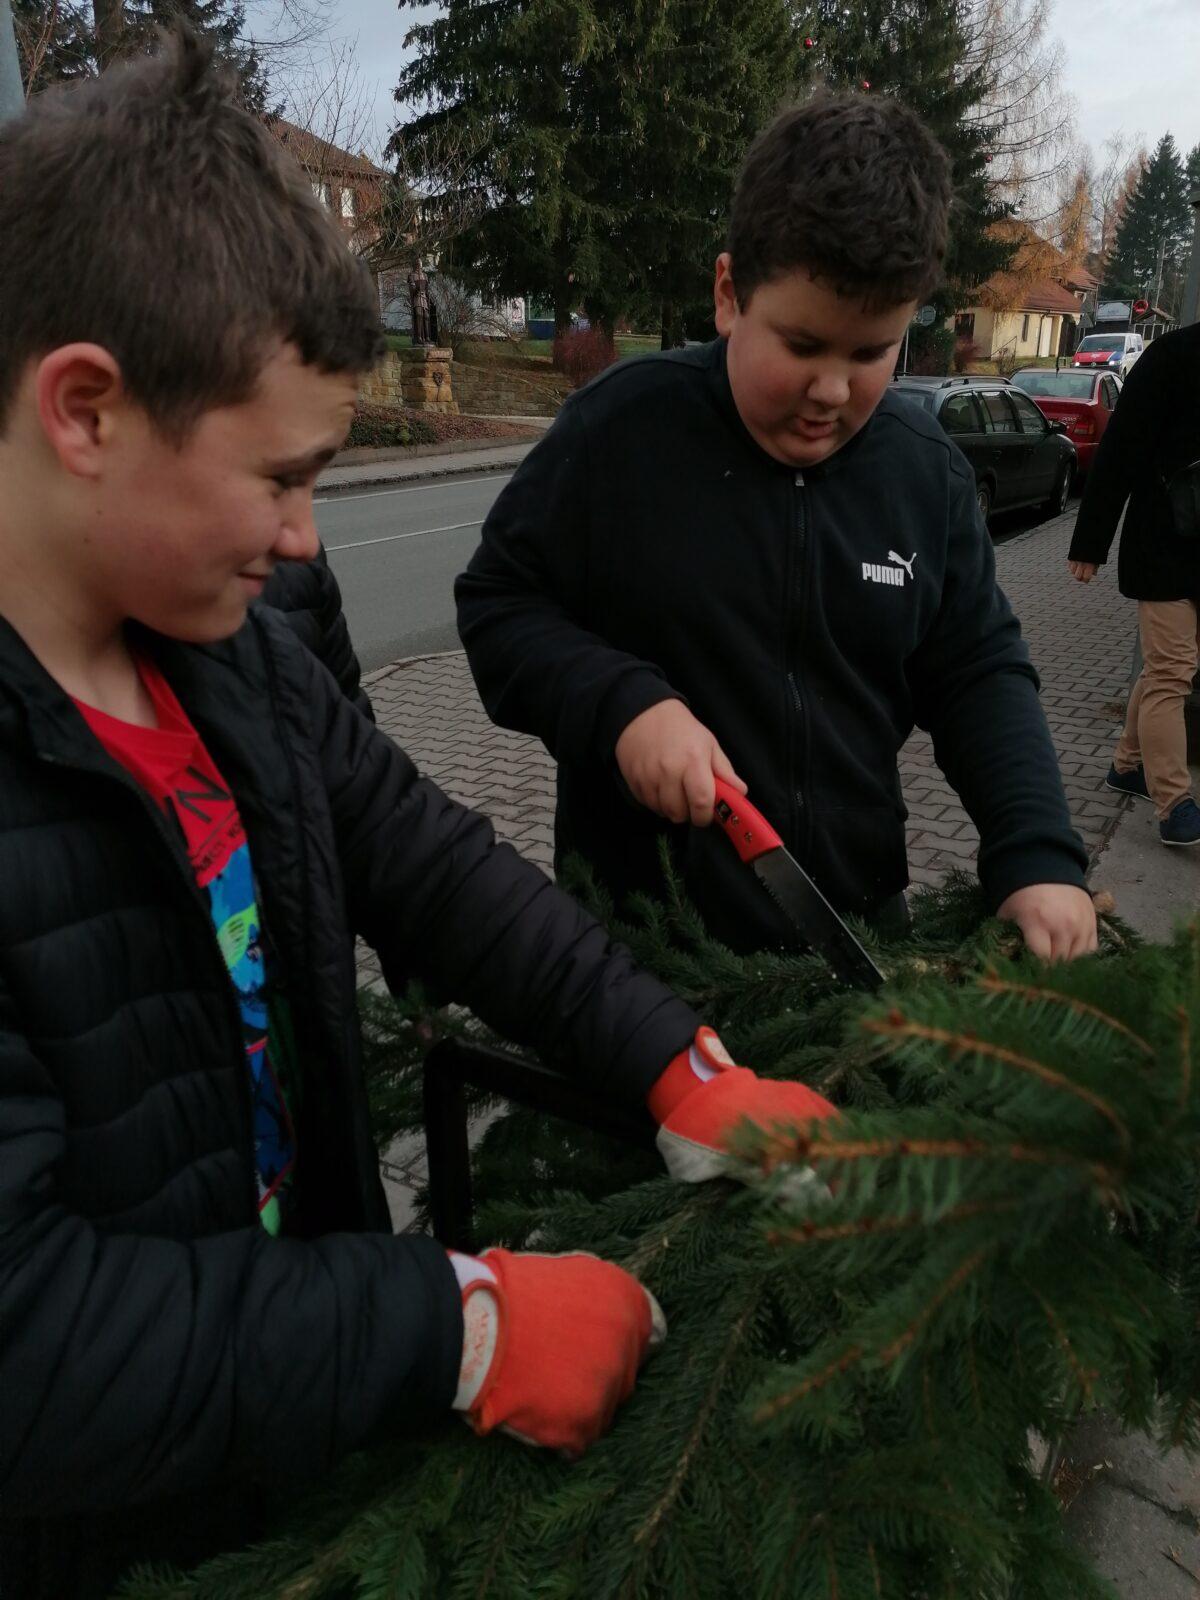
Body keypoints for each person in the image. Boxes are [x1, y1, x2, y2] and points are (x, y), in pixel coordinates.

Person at [0, 36, 838, 1599]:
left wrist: (674, 1062)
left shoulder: (228, 654)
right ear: (87, 410)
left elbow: (434, 866)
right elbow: (29, 1339)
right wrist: (459, 1327)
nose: (305, 541)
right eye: (281, 478)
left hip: (283, 1470)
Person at [456, 94, 1096, 961]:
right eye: (800, 345)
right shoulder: (620, 431)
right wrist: (621, 706)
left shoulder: (925, 473)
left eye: (870, 353)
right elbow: (500, 604)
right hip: (642, 958)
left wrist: (1038, 853)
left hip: (856, 941)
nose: (831, 390)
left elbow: (978, 673)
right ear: (729, 295)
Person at [1067, 322, 1200, 846]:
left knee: (1168, 667)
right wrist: (1090, 542)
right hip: (1163, 543)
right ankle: (1175, 803)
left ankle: (1127, 765)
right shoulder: (1173, 355)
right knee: (1171, 672)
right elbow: (1120, 448)